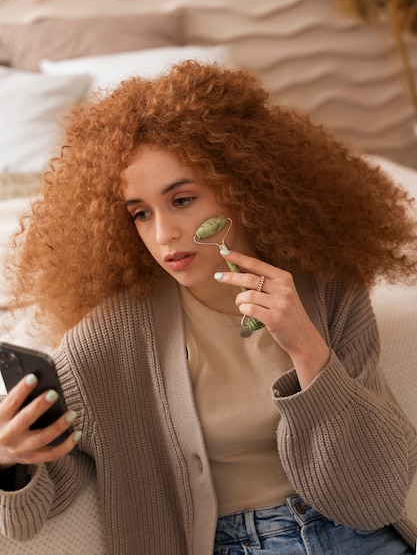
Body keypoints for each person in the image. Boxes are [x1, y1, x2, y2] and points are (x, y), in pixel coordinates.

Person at [0, 60, 416, 555]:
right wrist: (9, 459)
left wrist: (306, 347)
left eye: (183, 199)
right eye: (140, 212)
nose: (163, 234)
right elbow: (26, 519)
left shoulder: (328, 291)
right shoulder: (109, 339)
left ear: (244, 186)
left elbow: (375, 497)